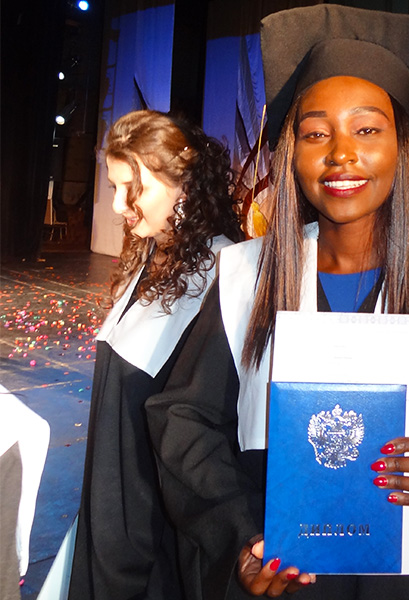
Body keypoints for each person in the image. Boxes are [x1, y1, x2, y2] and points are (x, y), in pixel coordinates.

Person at [145, 5, 409, 600]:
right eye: (317, 134)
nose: (341, 154)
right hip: (291, 575)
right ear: (293, 152)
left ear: (402, 146)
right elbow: (184, 420)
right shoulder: (248, 275)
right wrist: (240, 533)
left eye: (367, 129)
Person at [68, 110, 243, 600]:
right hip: (111, 503)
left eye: (135, 189)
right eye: (114, 187)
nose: (121, 205)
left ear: (183, 184)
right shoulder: (147, 256)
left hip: (156, 528)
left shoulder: (226, 274)